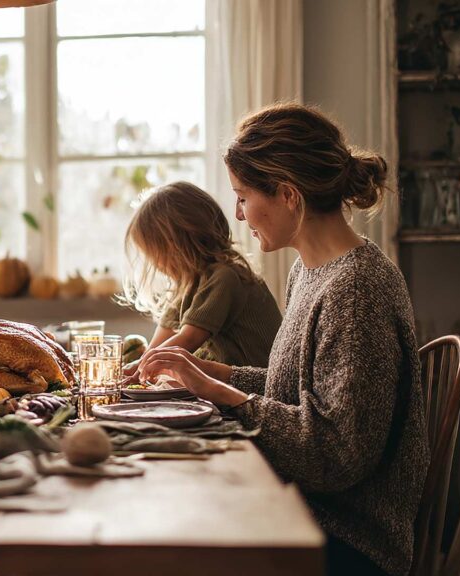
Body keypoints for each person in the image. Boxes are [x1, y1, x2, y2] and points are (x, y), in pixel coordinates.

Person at [138, 103, 428, 576]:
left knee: (166, 537)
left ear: (289, 195)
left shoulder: (355, 291)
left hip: (346, 542)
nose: (237, 213)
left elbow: (335, 454)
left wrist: (220, 394)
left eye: (243, 196)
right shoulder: (311, 272)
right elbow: (296, 389)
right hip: (303, 511)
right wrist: (219, 373)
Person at [121, 181, 281, 384]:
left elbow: (187, 340)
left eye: (155, 254)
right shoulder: (190, 283)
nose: (155, 263)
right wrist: (130, 370)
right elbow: (157, 347)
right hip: (226, 384)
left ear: (176, 244)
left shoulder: (226, 276)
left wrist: (138, 375)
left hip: (255, 386)